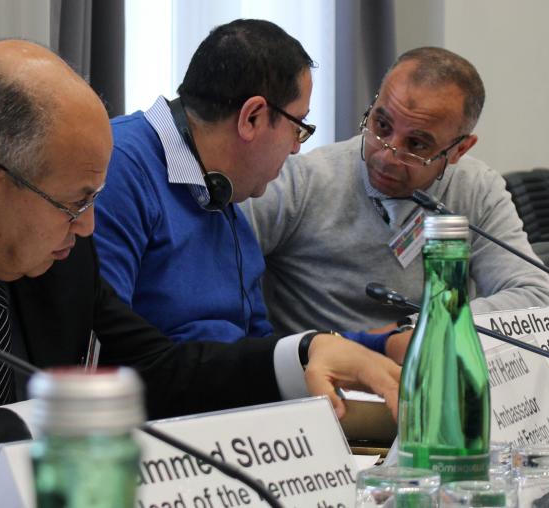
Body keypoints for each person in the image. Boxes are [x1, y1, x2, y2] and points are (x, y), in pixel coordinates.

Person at [0, 40, 401, 507]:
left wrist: (299, 354)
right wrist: (79, 420)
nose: (90, 225)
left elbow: (151, 371)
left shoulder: (39, 226)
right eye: (76, 203)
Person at [95, 20, 394, 355]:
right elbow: (111, 351)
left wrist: (379, 346)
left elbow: (257, 350)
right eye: (298, 126)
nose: (296, 148)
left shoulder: (220, 190)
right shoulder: (117, 167)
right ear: (252, 117)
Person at [241, 46, 549, 344]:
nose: (387, 156)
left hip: (430, 368)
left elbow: (535, 298)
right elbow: (222, 270)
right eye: (381, 125)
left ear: (459, 149)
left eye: (416, 144)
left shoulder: (476, 189)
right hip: (325, 376)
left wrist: (411, 333)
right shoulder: (302, 181)